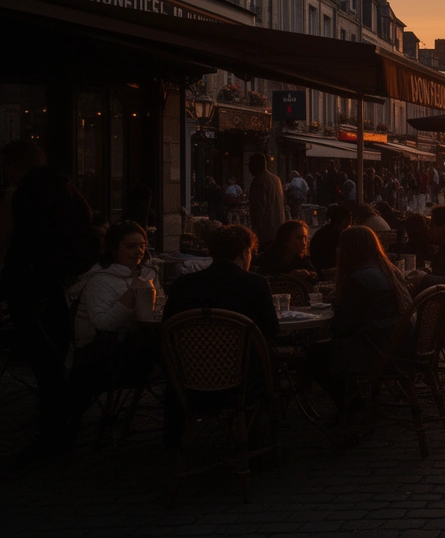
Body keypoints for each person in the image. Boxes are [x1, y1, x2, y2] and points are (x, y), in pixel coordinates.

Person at [0, 140, 98, 458]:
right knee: (53, 355)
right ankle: (60, 421)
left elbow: (13, 238)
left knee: (45, 359)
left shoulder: (25, 194)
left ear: (17, 166)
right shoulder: (64, 189)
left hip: (32, 281)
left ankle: (56, 429)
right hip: (54, 279)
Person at [160, 224, 279, 447]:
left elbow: (167, 329)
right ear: (245, 252)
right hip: (243, 383)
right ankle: (258, 438)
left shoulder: (183, 285)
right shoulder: (255, 284)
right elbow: (272, 331)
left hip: (187, 380)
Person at [304, 226, 415, 404]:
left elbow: (343, 326)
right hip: (402, 345)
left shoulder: (358, 279)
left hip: (377, 352)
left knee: (313, 354)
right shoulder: (389, 270)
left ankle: (351, 404)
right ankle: (354, 400)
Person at [66, 221, 159, 422]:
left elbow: (157, 309)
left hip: (134, 344)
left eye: (142, 245)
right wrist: (132, 293)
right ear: (114, 248)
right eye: (131, 246)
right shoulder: (99, 280)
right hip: (100, 355)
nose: (139, 251)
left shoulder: (148, 274)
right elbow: (104, 324)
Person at [252, 220, 318, 281]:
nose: (304, 242)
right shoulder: (269, 257)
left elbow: (316, 277)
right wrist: (287, 276)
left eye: (305, 238)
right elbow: (263, 278)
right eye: (299, 238)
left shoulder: (301, 257)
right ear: (285, 240)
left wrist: (308, 274)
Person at [247, 153, 285, 246]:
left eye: (250, 165)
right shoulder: (276, 179)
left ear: (255, 165)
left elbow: (259, 209)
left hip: (266, 233)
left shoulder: (258, 181)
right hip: (279, 228)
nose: (249, 168)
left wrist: (255, 231)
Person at [309, 204, 351, 272]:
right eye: (349, 220)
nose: (350, 224)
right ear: (344, 221)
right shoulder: (339, 236)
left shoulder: (321, 233)